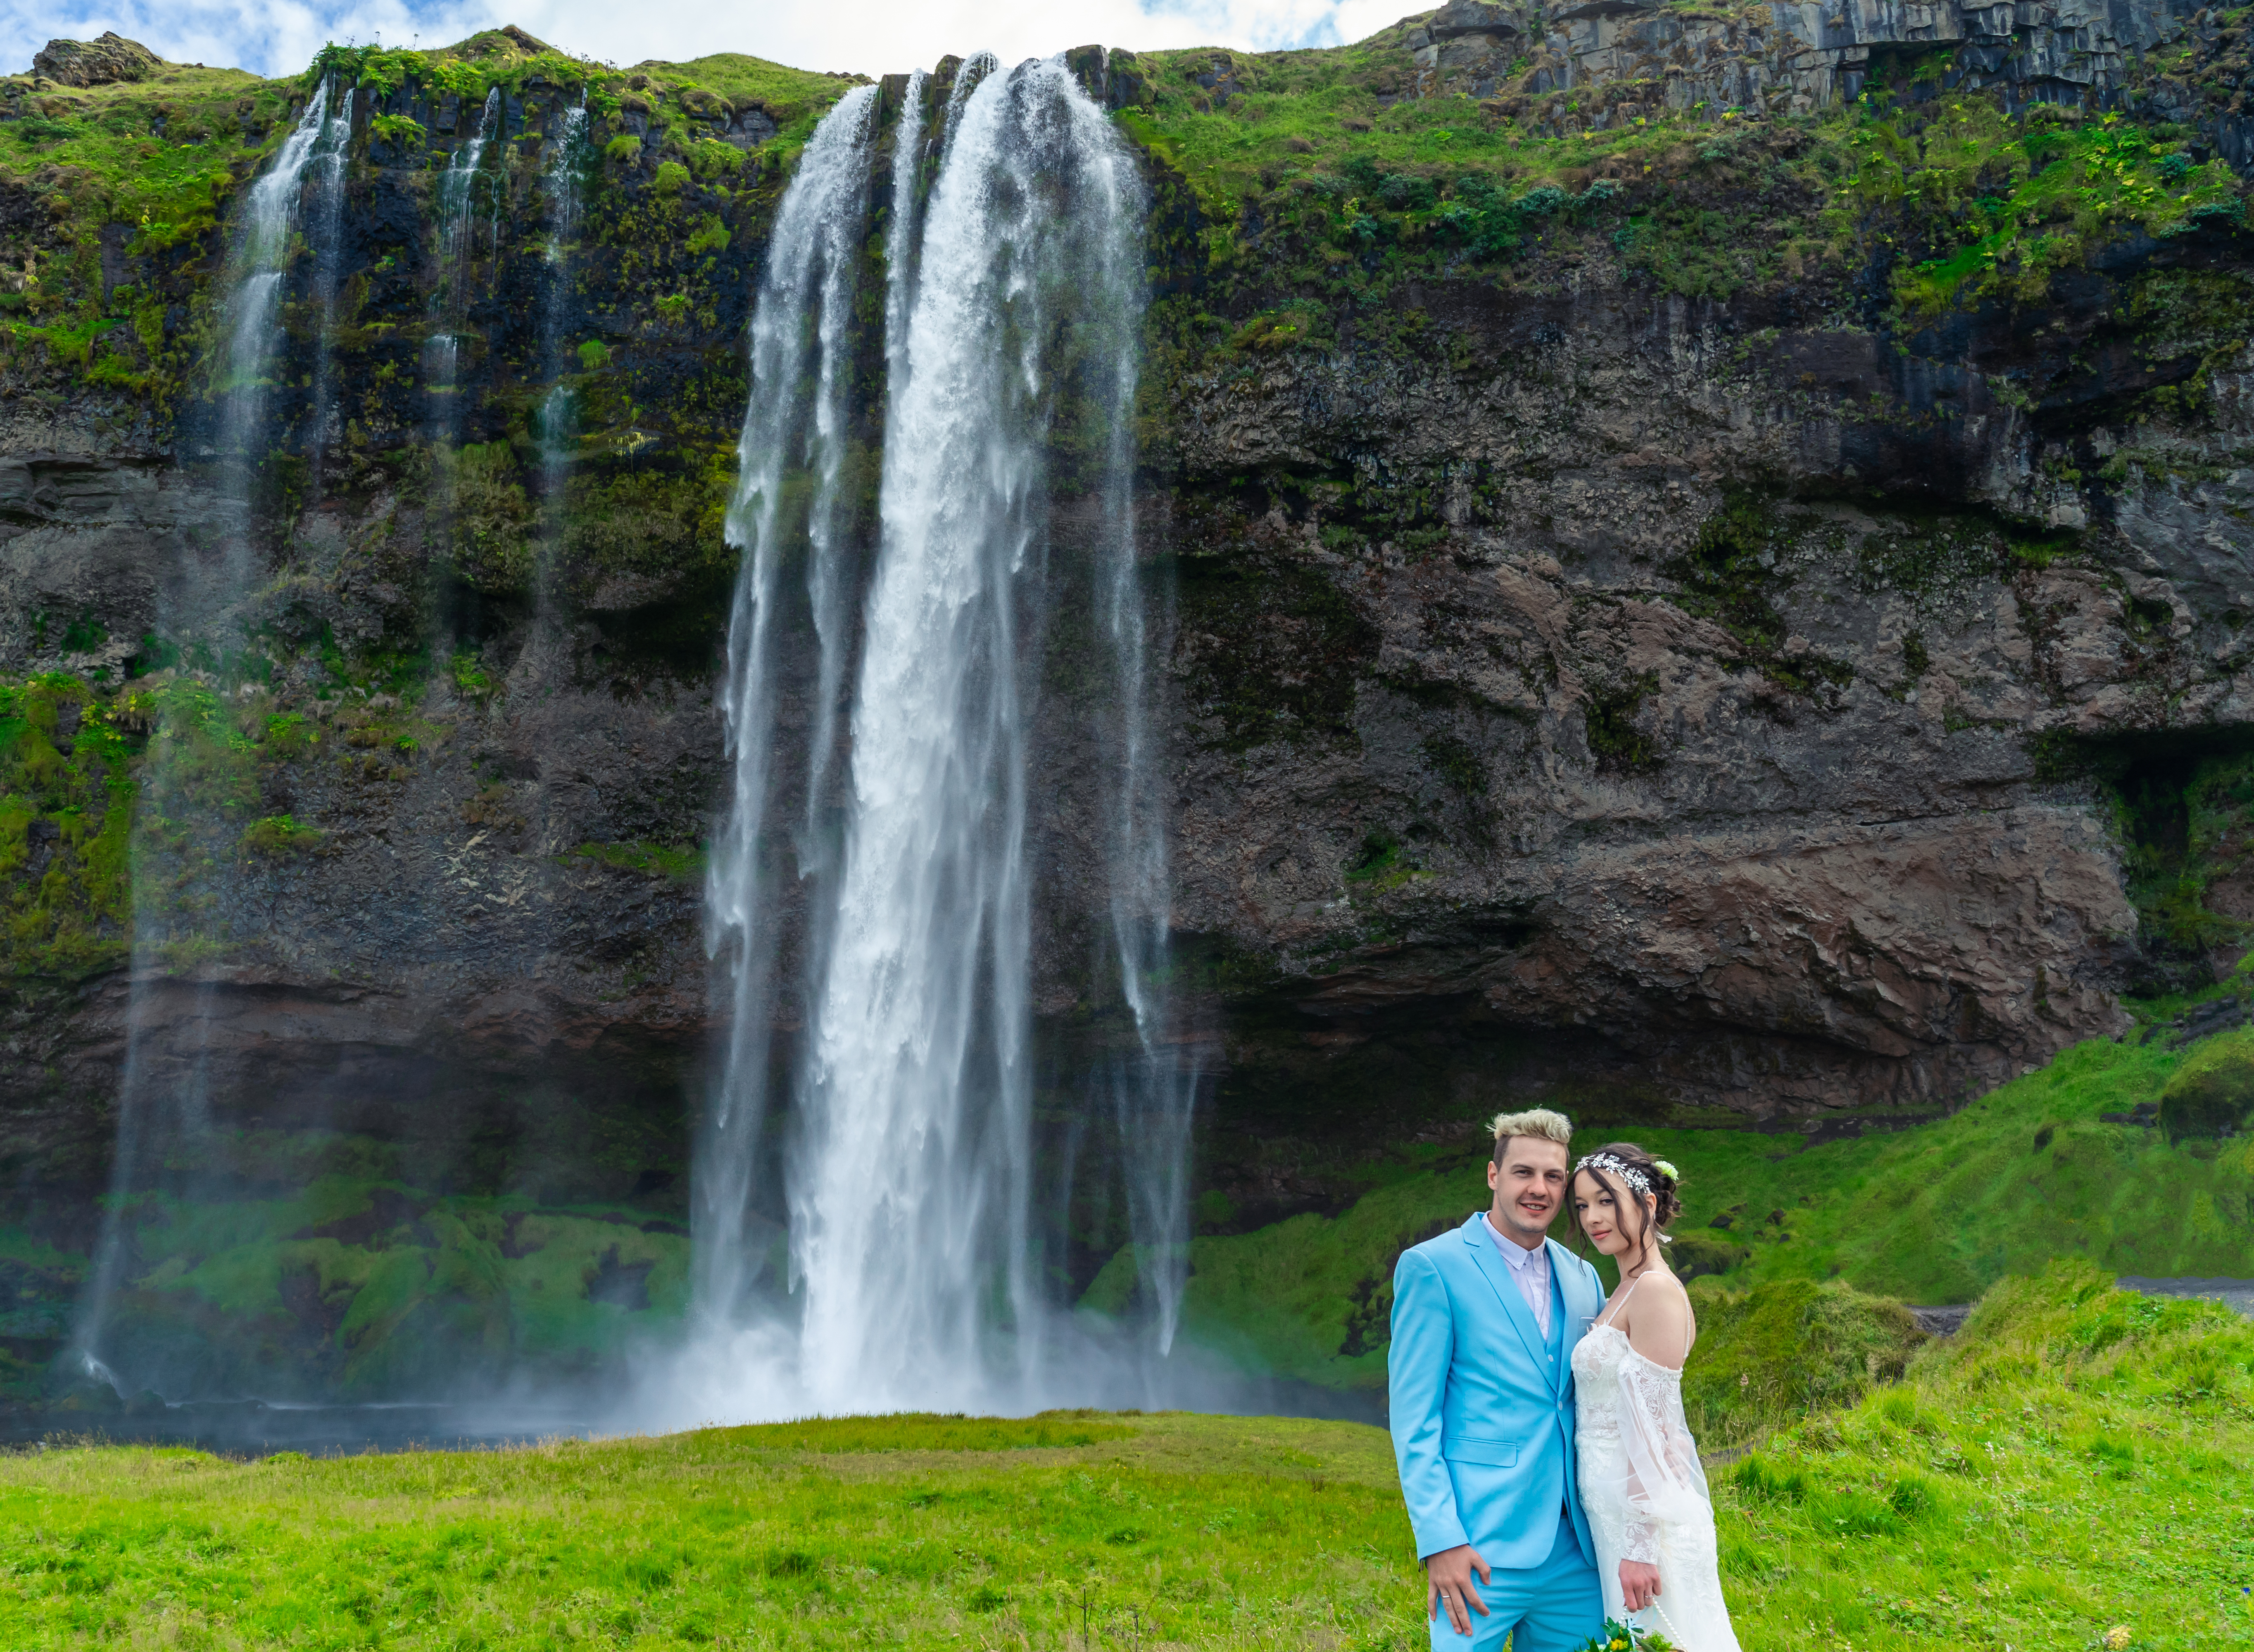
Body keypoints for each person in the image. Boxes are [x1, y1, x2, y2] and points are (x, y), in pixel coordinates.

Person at [1388, 1109, 1608, 1652]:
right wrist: (1441, 1540)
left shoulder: (1584, 1278)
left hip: (1576, 1557)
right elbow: (1415, 1420)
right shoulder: (1432, 1267)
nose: (1539, 1189)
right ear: (1494, 1176)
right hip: (1477, 1550)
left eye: (1553, 1177)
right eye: (1523, 1173)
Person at [1567, 1142, 1744, 1652]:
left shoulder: (1655, 1292)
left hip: (1644, 1527)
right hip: (1610, 1514)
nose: (1592, 1218)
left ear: (1646, 1202)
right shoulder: (1623, 1287)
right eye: (1581, 1206)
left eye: (1605, 1200)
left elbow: (1658, 1429)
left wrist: (1640, 1547)